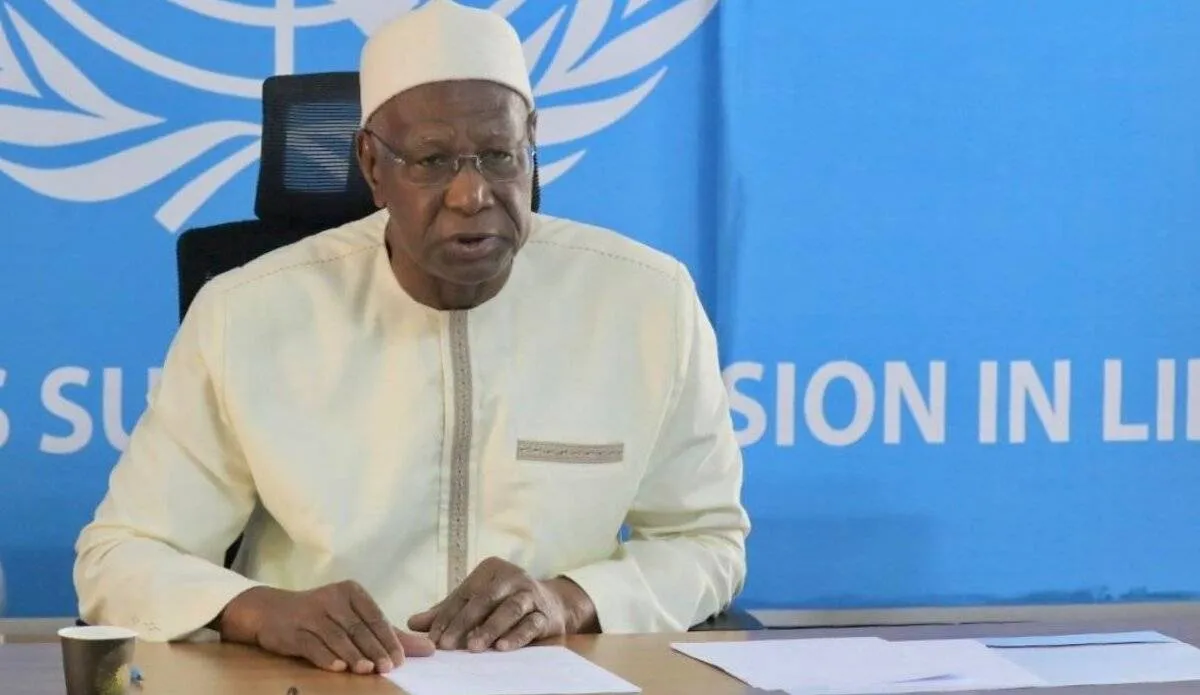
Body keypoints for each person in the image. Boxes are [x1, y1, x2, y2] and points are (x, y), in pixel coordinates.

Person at [72, 0, 749, 676]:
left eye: (498, 156)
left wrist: (570, 599)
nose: (471, 194)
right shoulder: (247, 313)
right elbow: (119, 556)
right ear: (372, 164)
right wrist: (259, 610)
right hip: (320, 682)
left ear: (531, 145)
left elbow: (707, 540)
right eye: (432, 160)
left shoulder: (645, 302)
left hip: (549, 677)